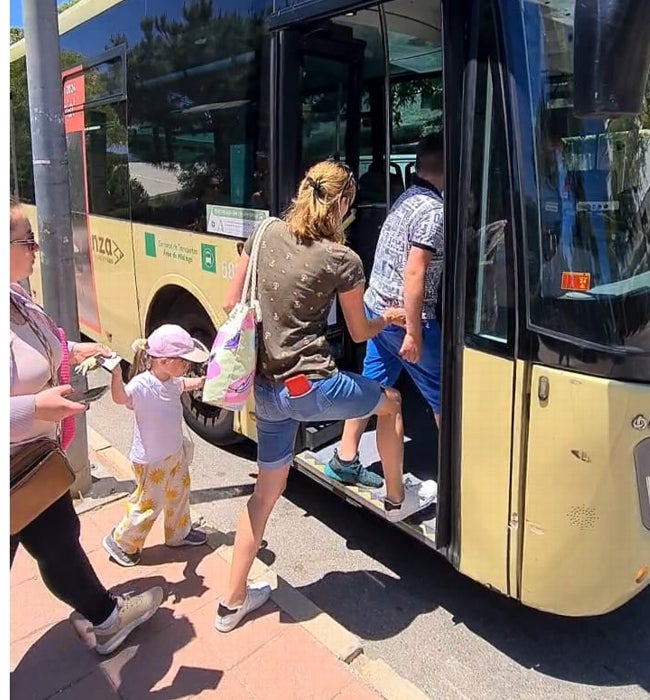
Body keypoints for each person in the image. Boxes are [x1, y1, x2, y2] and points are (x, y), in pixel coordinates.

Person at [214, 160, 437, 633]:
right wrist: (393, 317)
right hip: (311, 387)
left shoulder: (264, 230)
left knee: (265, 494)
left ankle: (231, 603)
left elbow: (230, 303)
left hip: (266, 391)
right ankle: (397, 499)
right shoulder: (342, 259)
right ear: (339, 204)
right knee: (391, 402)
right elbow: (359, 331)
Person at [9, 199, 163, 656]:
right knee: (57, 542)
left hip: (31, 466)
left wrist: (74, 350)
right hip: (17, 467)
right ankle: (107, 617)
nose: (36, 248)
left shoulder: (16, 294)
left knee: (58, 541)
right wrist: (35, 405)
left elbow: (46, 340)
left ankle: (106, 617)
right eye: (26, 240)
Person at [329, 134, 445, 489]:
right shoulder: (434, 211)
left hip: (379, 309)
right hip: (405, 318)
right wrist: (413, 331)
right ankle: (459, 474)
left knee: (372, 384)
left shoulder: (407, 198)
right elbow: (415, 273)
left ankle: (344, 458)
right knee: (445, 391)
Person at [102, 324, 209, 567]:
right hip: (151, 460)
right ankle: (122, 542)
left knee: (179, 493)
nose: (187, 366)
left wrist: (203, 381)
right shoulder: (142, 384)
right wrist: (117, 376)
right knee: (149, 504)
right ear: (162, 361)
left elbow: (183, 384)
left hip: (173, 453)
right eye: (183, 361)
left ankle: (178, 533)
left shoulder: (171, 380)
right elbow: (121, 398)